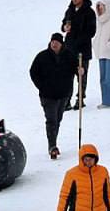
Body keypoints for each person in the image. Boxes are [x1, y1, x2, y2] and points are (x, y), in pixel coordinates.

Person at [28, 32, 78, 160]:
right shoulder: (42, 56)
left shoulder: (69, 56)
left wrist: (80, 70)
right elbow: (33, 72)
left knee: (58, 119)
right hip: (47, 95)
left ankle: (53, 142)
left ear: (61, 44)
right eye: (52, 42)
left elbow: (77, 68)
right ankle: (52, 146)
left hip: (63, 94)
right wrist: (41, 86)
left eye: (57, 42)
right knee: (51, 120)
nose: (54, 44)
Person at [61, 0, 97, 110]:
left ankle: (80, 99)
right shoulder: (69, 10)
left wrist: (79, 40)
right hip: (69, 49)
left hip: (82, 50)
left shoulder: (89, 12)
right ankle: (67, 100)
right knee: (67, 76)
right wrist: (64, 27)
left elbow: (92, 31)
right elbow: (63, 24)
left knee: (81, 76)